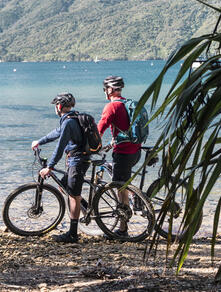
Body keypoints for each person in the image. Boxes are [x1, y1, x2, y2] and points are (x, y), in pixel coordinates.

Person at [31, 93, 90, 243]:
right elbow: (57, 133)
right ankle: (86, 207)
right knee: (65, 186)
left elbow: (60, 145)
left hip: (77, 160)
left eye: (55, 106)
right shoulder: (72, 118)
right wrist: (40, 141)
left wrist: (50, 167)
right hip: (79, 158)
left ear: (59, 107)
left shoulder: (68, 122)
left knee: (73, 196)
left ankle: (73, 234)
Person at [97, 75, 141, 237]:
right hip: (136, 151)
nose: (104, 92)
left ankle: (123, 229)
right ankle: (134, 195)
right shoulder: (127, 104)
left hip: (123, 153)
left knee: (119, 188)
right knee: (124, 183)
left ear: (110, 90)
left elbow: (98, 131)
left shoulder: (111, 107)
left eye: (105, 89)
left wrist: (89, 146)